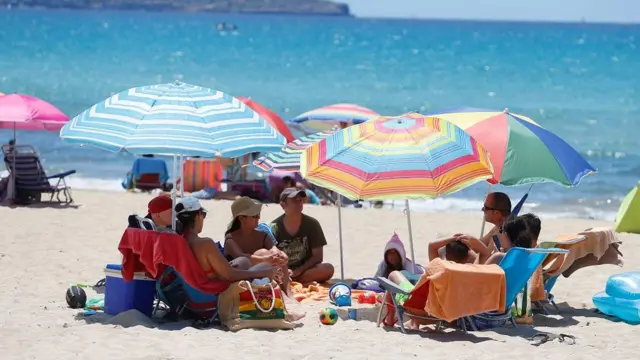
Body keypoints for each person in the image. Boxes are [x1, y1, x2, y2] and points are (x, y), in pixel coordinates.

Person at [176, 196, 281, 282]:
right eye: (203, 214)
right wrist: (264, 272)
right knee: (266, 266)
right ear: (199, 215)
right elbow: (230, 275)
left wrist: (224, 267)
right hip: (214, 291)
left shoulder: (181, 240)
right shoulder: (205, 243)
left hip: (197, 289)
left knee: (243, 261)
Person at [223, 196, 291, 295]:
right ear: (242, 218)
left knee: (277, 257)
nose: (258, 218)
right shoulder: (231, 238)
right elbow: (241, 256)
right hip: (240, 278)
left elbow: (274, 249)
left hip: (262, 275)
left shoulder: (263, 235)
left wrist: (281, 256)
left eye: (258, 215)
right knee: (260, 254)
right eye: (254, 216)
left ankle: (286, 292)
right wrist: (265, 259)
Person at [270, 187, 335, 284]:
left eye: (300, 200)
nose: (299, 203)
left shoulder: (312, 224)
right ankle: (291, 280)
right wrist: (284, 271)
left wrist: (299, 271)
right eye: (294, 201)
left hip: (305, 271)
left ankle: (297, 280)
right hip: (282, 271)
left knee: (328, 269)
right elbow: (270, 257)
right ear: (283, 205)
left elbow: (318, 257)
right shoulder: (274, 227)